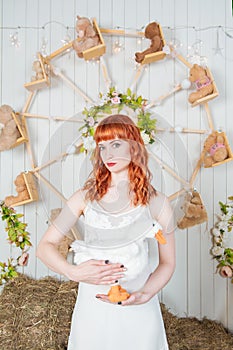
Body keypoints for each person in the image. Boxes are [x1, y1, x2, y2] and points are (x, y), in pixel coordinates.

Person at [37, 114, 175, 350]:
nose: (108, 154)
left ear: (134, 146)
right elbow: (44, 247)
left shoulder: (158, 203)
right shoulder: (84, 198)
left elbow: (168, 263)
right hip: (93, 312)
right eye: (102, 147)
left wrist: (145, 294)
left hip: (139, 311)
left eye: (116, 144)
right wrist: (73, 272)